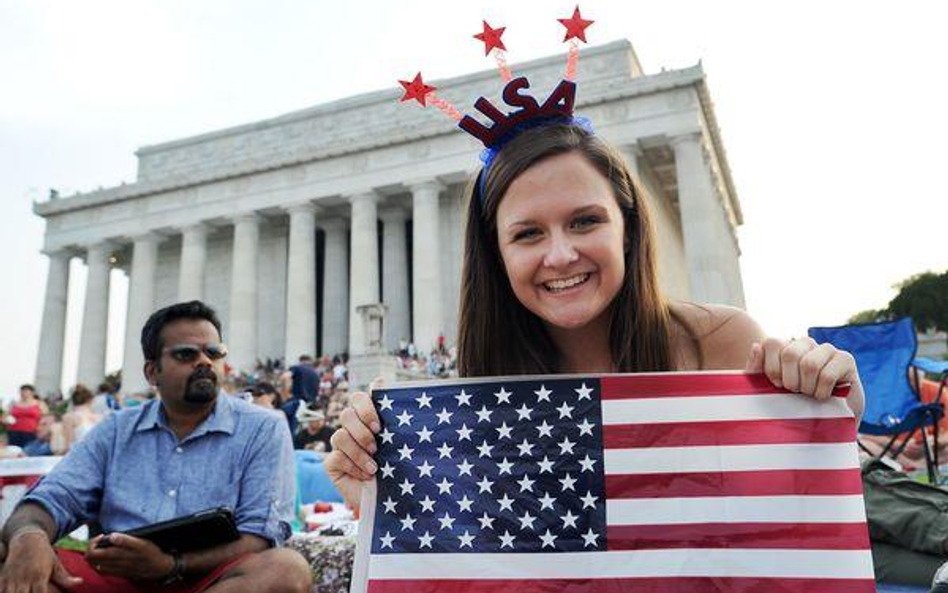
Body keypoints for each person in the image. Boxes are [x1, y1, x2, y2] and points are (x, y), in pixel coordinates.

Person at [325, 121, 865, 510]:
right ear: (497, 256)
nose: (559, 255)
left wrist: (830, 407)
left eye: (585, 221)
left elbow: (788, 512)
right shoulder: (477, 396)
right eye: (528, 233)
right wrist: (373, 498)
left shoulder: (722, 342)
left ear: (626, 228)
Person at [0, 300, 311, 593]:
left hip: (209, 580)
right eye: (186, 354)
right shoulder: (115, 430)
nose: (204, 362)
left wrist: (170, 565)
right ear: (152, 372)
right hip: (118, 578)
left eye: (214, 353)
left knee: (286, 570)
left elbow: (261, 536)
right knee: (13, 552)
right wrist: (30, 535)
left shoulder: (263, 427)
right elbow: (52, 499)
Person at [61, 384, 103, 452]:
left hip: (80, 456)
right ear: (90, 400)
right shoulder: (100, 417)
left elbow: (69, 445)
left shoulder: (69, 417)